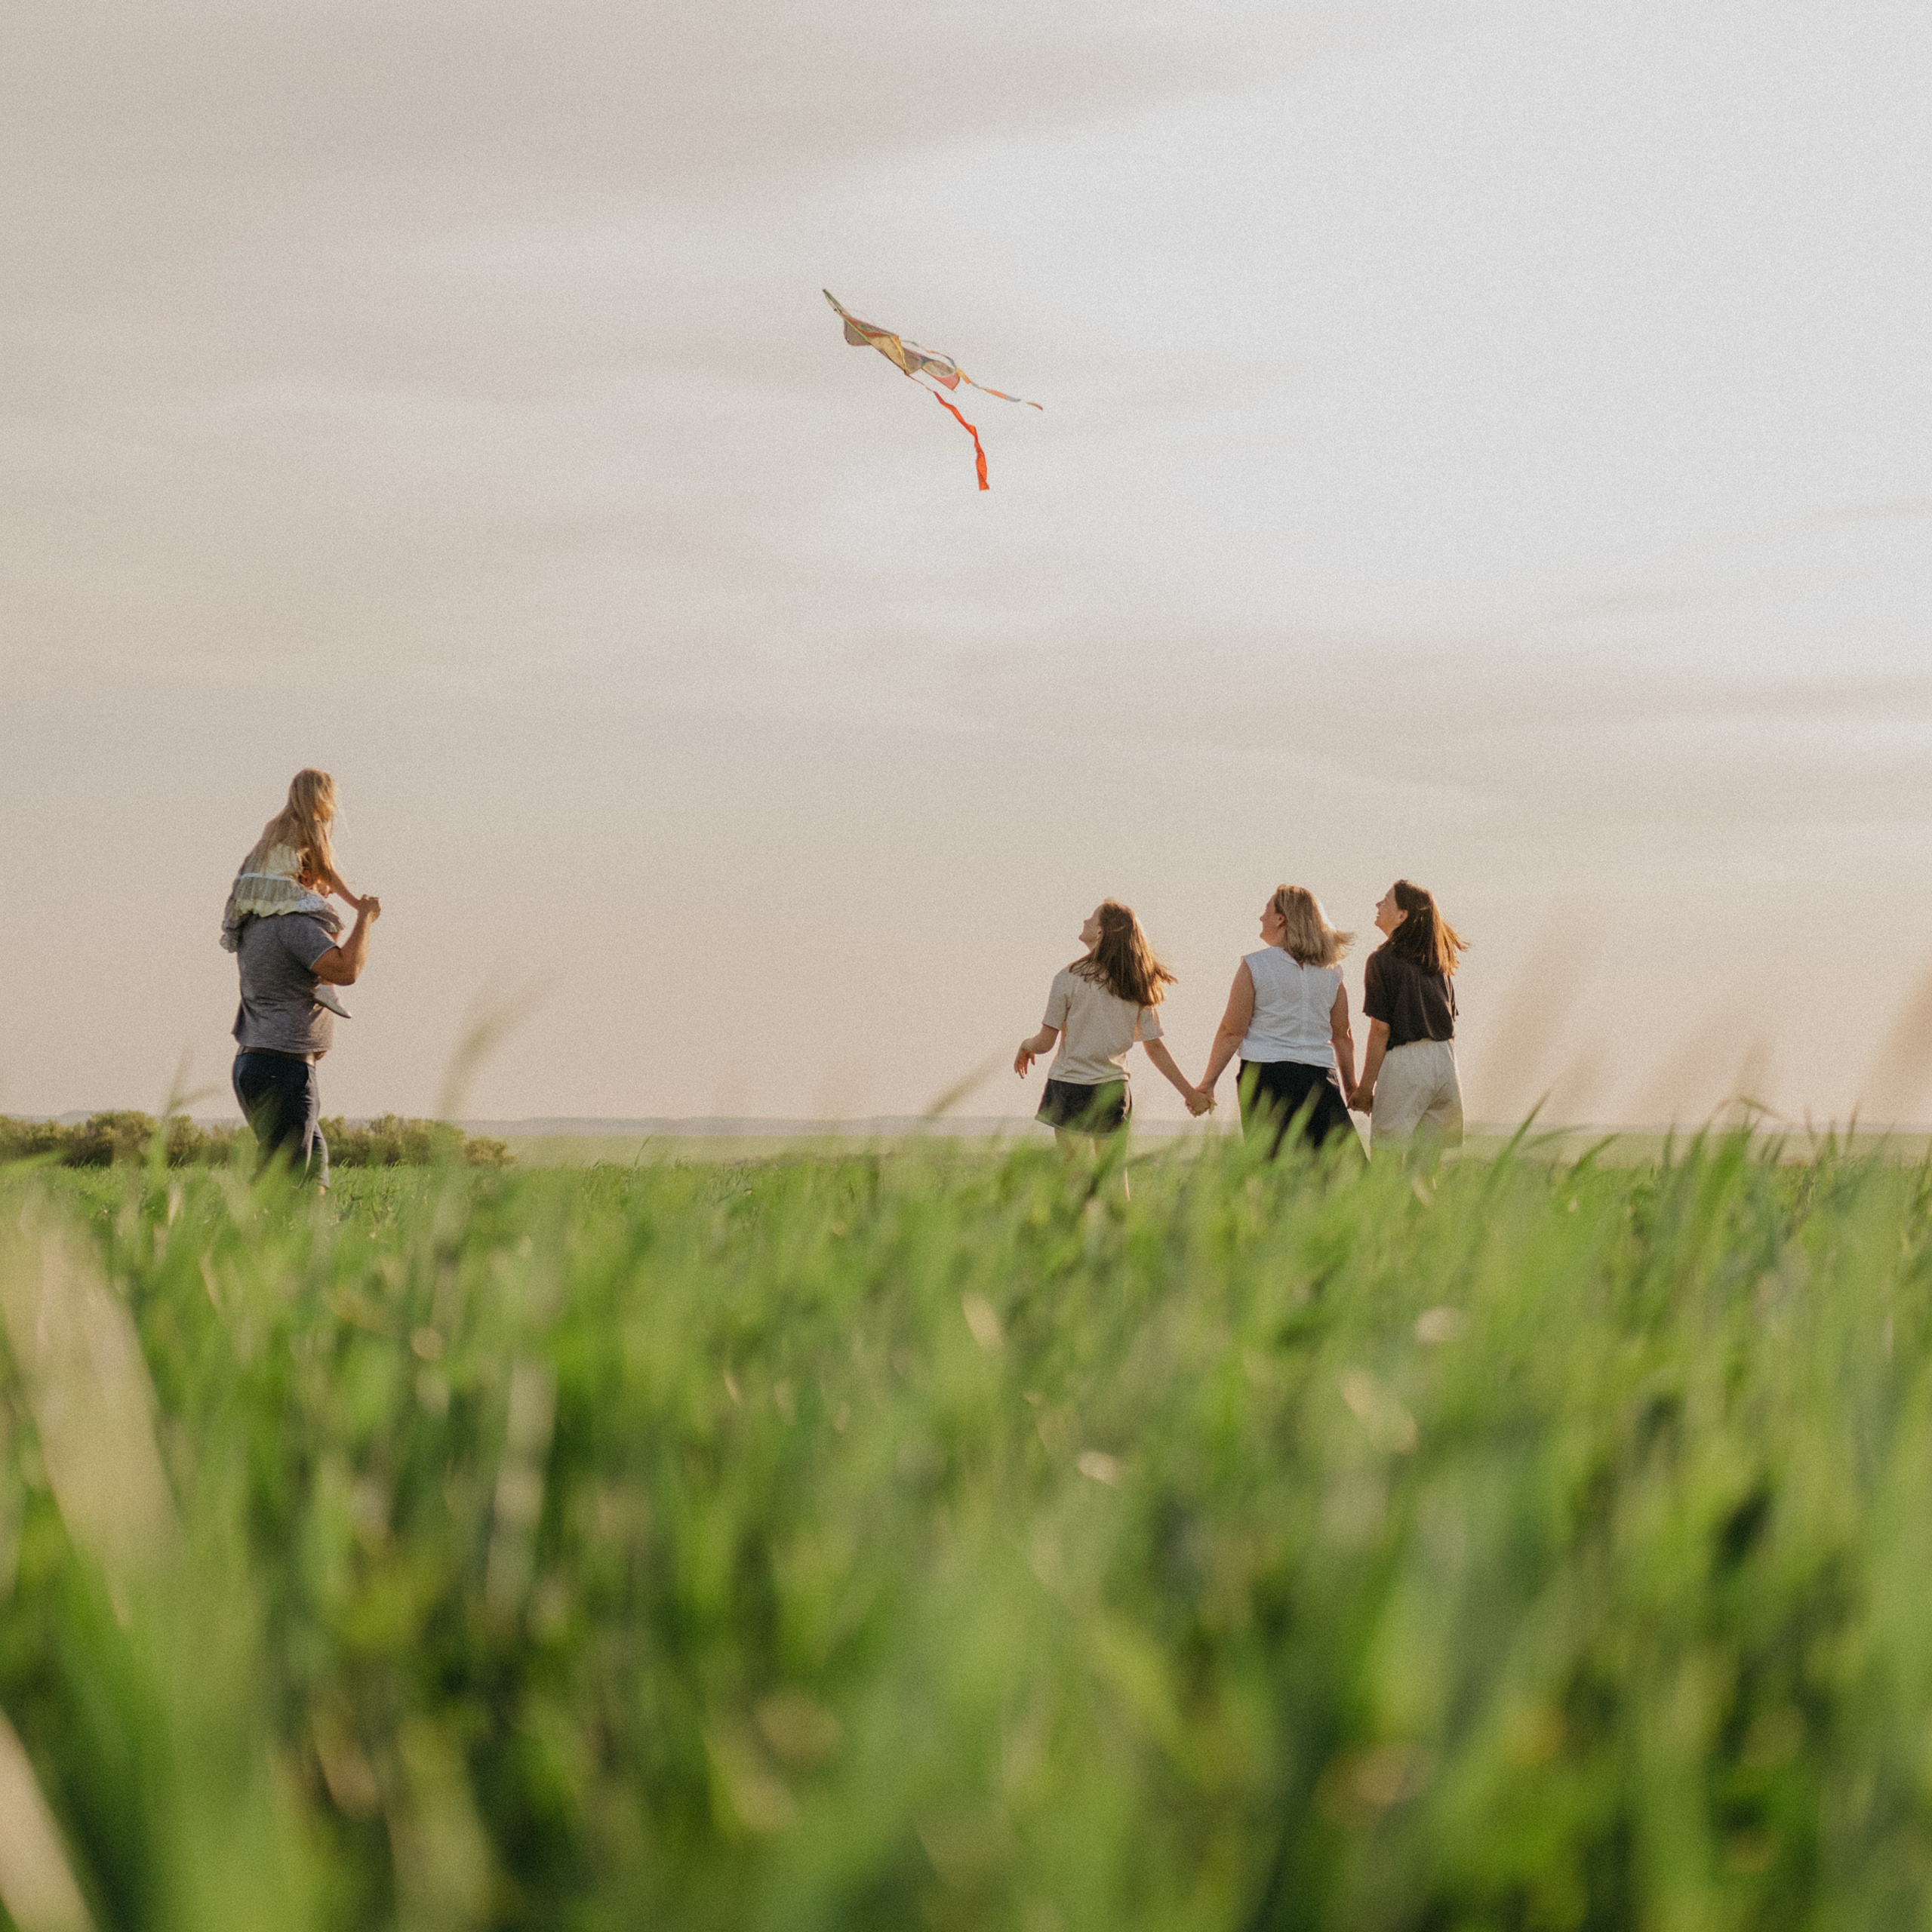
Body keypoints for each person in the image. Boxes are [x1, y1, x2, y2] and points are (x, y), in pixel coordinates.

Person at [226, 771, 380, 1186]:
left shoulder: (256, 922)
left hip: (256, 1062)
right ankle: (244, 1243)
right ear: (307, 871)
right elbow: (345, 971)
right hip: (283, 1069)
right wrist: (363, 919)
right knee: (284, 1182)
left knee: (313, 1173)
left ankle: (315, 1246)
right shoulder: (295, 923)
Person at [1014, 900, 1204, 1154]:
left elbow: (1045, 1043)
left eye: (1092, 918)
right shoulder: (1135, 983)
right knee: (1114, 1180)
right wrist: (1190, 1094)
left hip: (1070, 1087)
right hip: (1113, 1089)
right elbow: (1156, 1047)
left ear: (1101, 932)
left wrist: (1026, 1045)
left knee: (1074, 1180)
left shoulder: (1068, 978)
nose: (1085, 921)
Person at [1197, 885, 1359, 1155]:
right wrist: (1351, 1086)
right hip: (1320, 1079)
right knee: (1337, 1175)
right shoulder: (1333, 973)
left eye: (1266, 911)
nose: (1261, 917)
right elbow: (1343, 1036)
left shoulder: (1255, 965)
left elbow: (1232, 1031)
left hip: (1266, 1078)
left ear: (1281, 918)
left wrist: (1207, 1083)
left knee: (1274, 1177)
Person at [1355, 878, 1466, 1153]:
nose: (1378, 905)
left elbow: (1381, 1031)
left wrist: (1366, 1088)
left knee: (1386, 1162)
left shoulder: (1382, 961)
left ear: (1403, 915)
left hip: (1407, 1063)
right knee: (1425, 1172)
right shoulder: (1439, 962)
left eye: (1386, 901)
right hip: (1445, 1061)